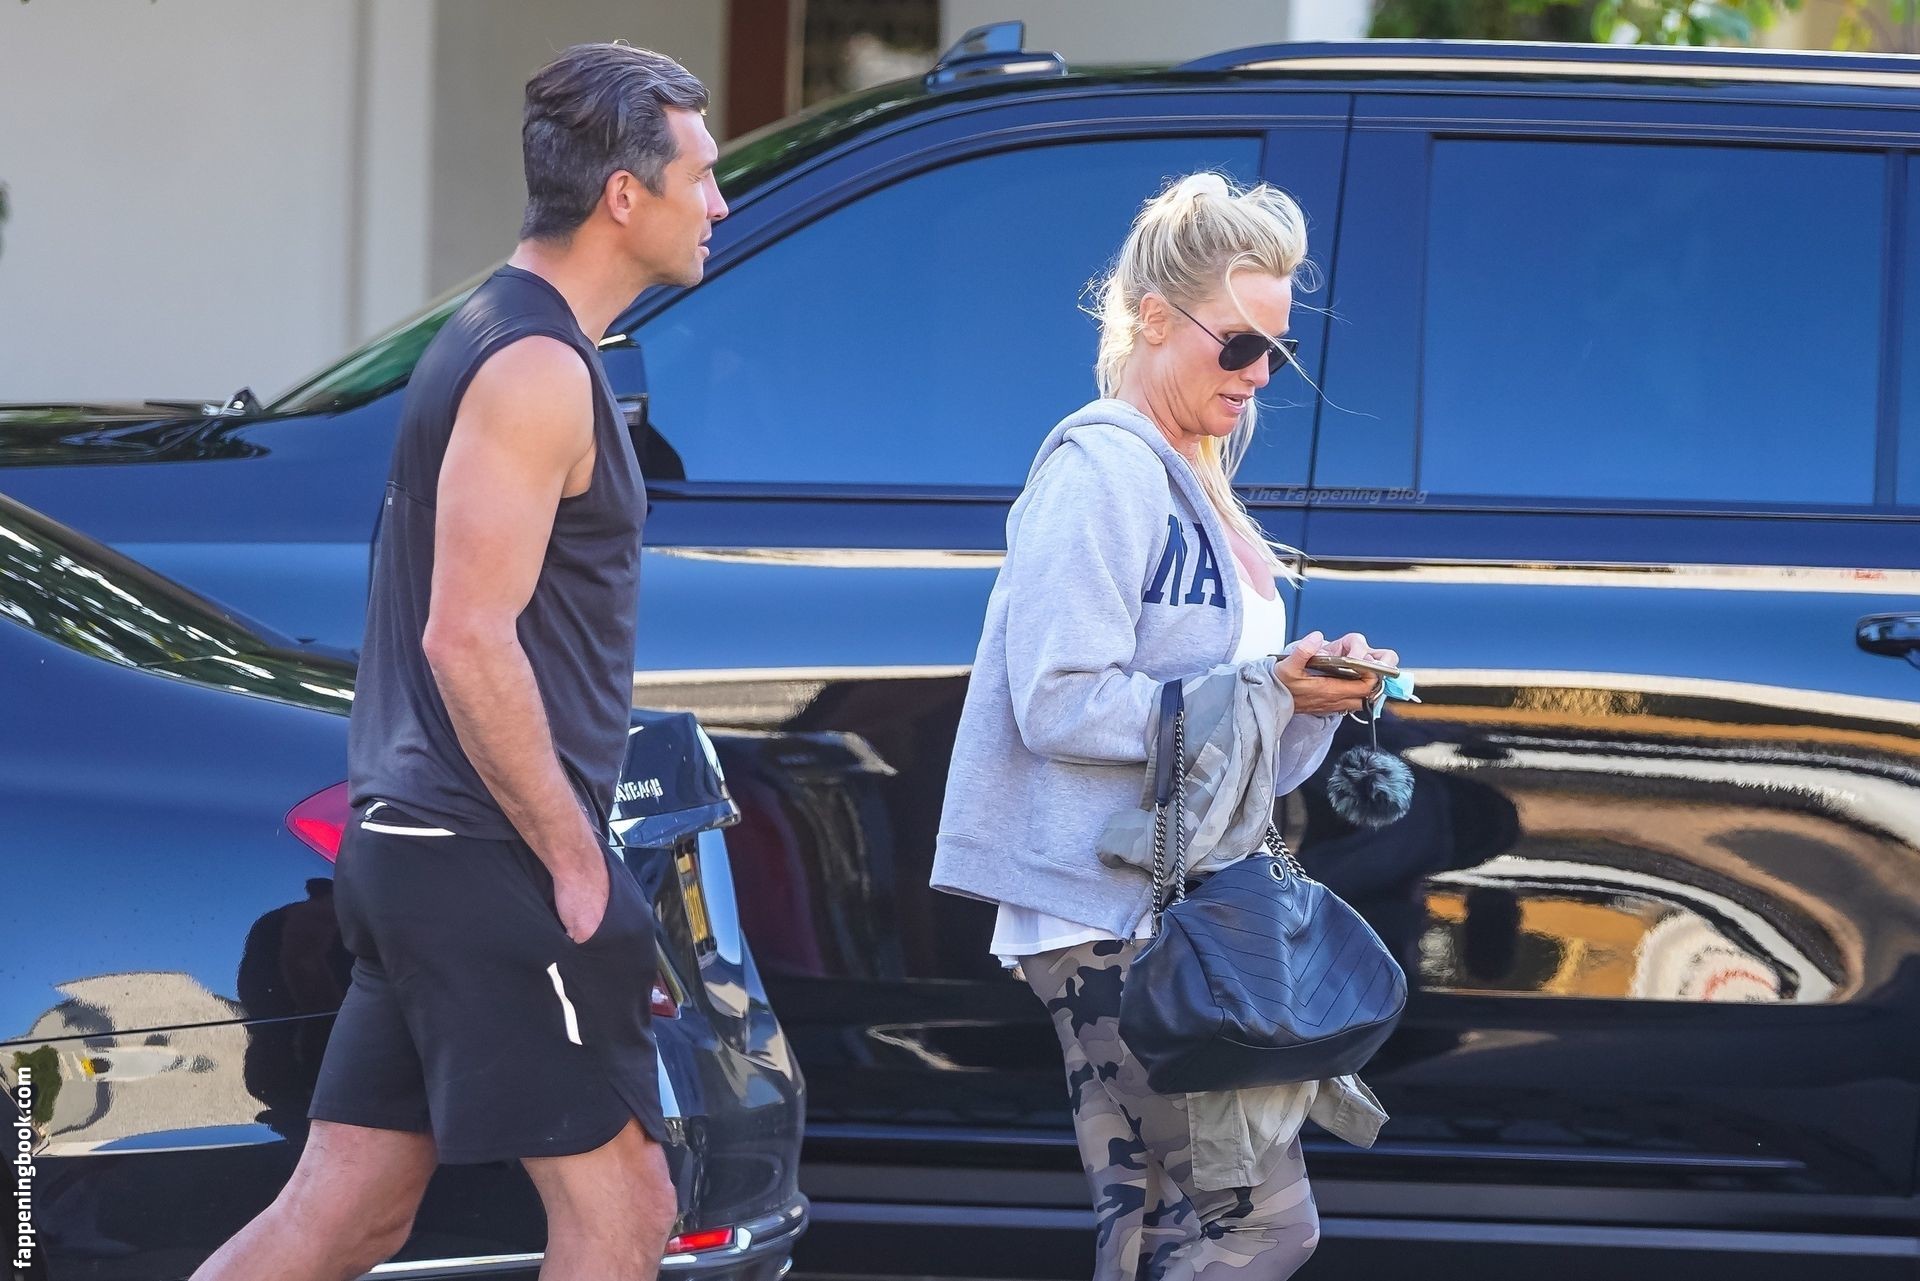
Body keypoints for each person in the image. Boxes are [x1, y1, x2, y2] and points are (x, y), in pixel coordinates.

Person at [191, 42, 727, 1281]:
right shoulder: (533, 366)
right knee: (626, 1211)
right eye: (699, 175)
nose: (717, 202)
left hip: (426, 849)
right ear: (625, 195)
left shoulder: (504, 332)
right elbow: (466, 633)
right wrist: (574, 859)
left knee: (346, 1217)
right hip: (482, 855)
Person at [932, 172, 1396, 1280]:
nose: (1259, 374)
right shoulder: (1100, 470)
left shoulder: (1202, 491)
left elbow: (1240, 748)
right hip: (1107, 913)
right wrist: (1262, 688)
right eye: (1239, 344)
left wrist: (1308, 695)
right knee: (1260, 1227)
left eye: (1277, 352)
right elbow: (1057, 699)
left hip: (1162, 907)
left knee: (1152, 1232)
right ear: (1153, 318)